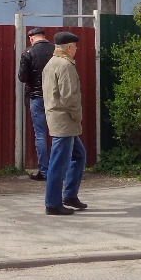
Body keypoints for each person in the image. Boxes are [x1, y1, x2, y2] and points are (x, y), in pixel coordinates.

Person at [42, 30, 87, 215]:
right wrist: (77, 115)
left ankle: (69, 195)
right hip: (65, 119)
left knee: (78, 155)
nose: (76, 49)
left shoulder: (51, 63)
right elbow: (69, 97)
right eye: (75, 46)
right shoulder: (65, 65)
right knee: (59, 162)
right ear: (68, 47)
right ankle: (53, 203)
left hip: (57, 116)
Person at [17, 27, 54, 181]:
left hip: (37, 97)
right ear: (44, 36)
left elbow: (22, 77)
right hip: (55, 97)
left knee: (40, 135)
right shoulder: (56, 50)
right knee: (59, 133)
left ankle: (44, 171)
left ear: (31, 38)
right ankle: (59, 170)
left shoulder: (28, 52)